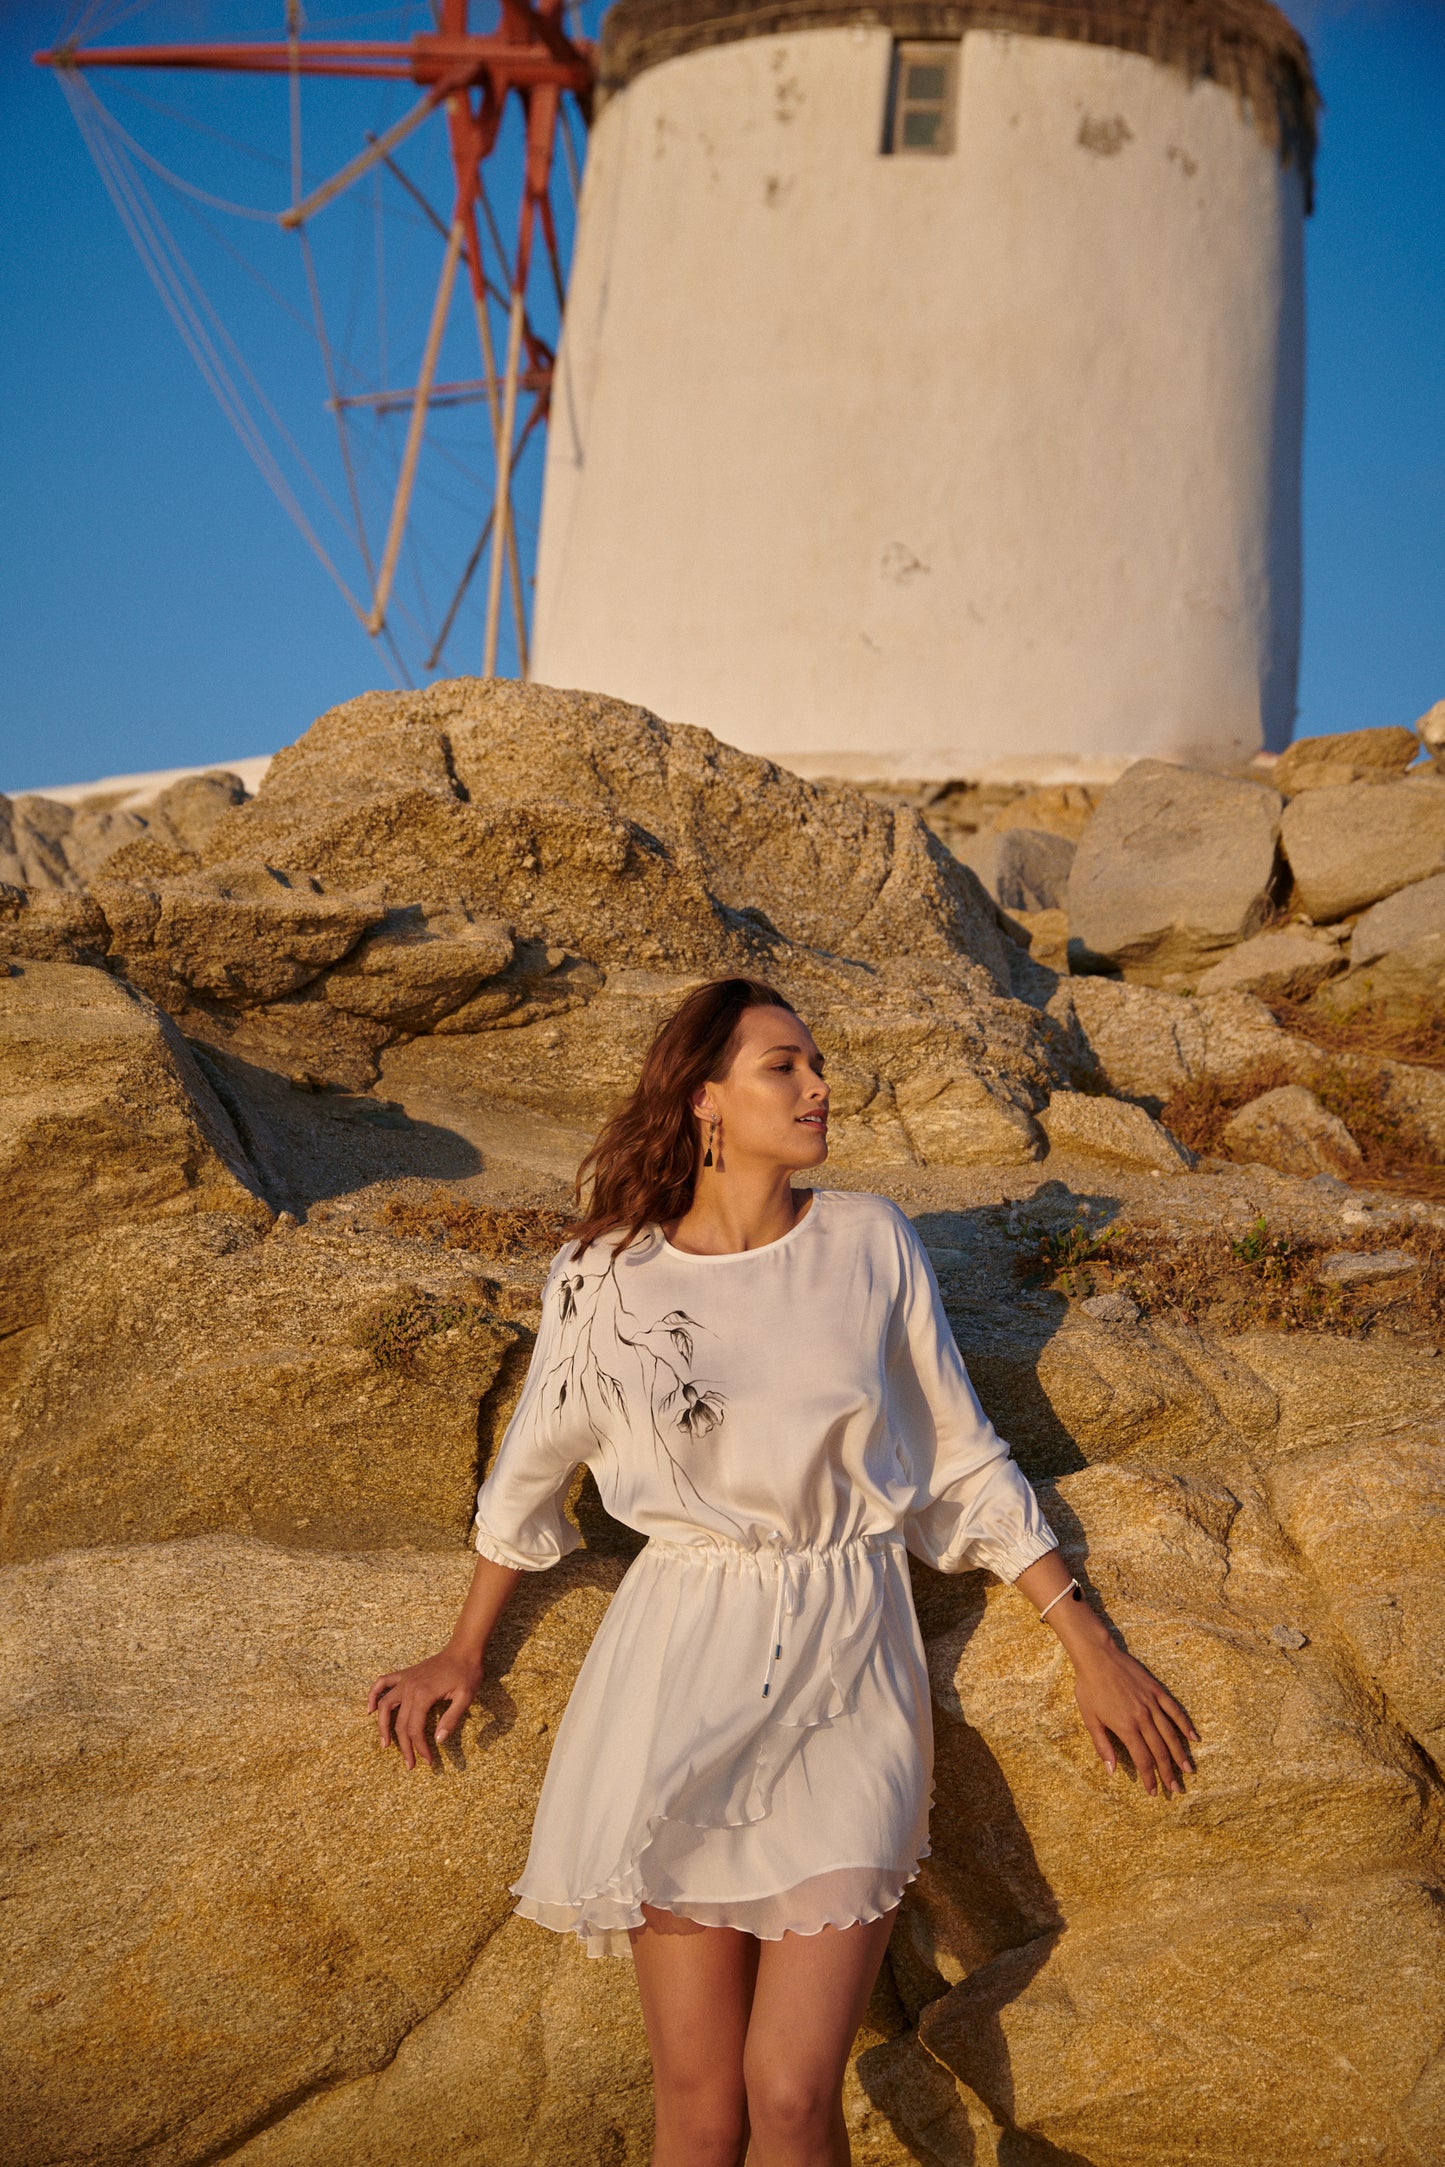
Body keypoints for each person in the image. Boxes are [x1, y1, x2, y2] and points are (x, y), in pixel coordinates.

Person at [369, 976, 1197, 2167]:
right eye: (783, 1065)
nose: (819, 1086)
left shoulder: (868, 1240)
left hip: (849, 1652)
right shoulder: (601, 1277)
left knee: (792, 2091)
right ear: (704, 1098)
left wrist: (1089, 1645)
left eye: (816, 1063)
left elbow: (960, 1459)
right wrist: (462, 1647)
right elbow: (528, 1470)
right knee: (699, 2108)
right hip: (676, 1662)